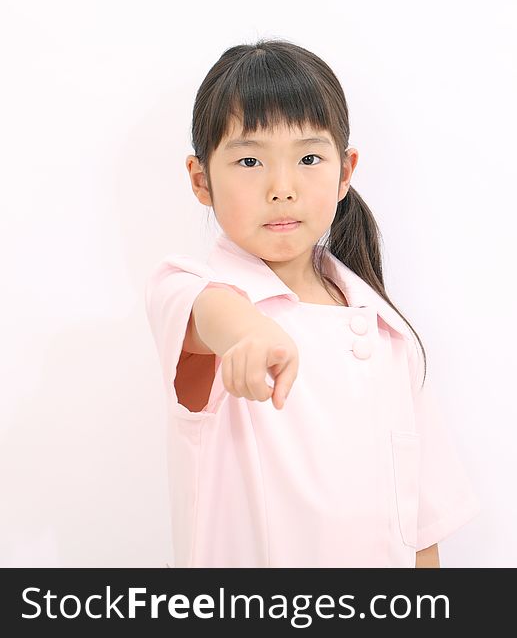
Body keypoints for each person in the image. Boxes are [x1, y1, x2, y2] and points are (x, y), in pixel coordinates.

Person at [143, 38, 481, 567]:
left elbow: (419, 527)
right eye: (250, 159)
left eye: (308, 158)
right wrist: (247, 335)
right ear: (200, 178)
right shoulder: (190, 288)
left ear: (345, 172)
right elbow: (211, 314)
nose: (282, 187)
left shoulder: (387, 332)